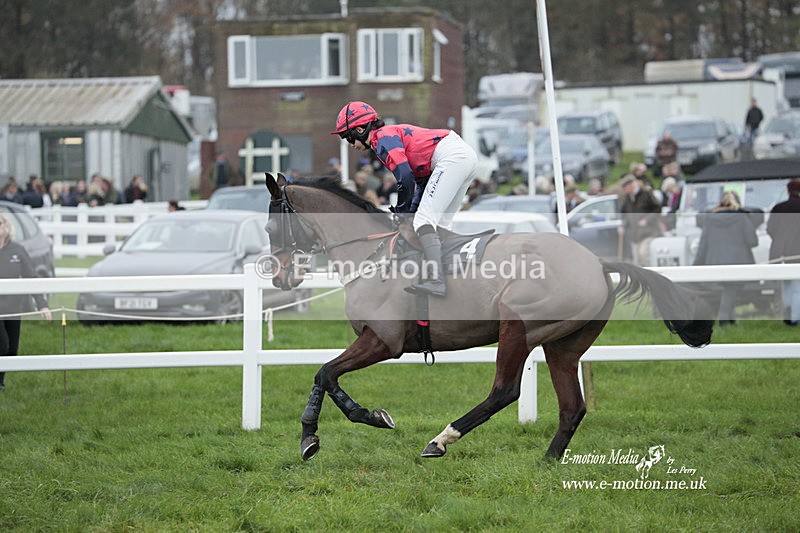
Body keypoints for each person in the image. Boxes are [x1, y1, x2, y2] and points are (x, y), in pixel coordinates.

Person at [331, 101, 478, 296]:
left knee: (424, 221)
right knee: (440, 224)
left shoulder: (381, 139)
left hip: (452, 158)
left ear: (359, 129)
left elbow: (405, 179)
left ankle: (436, 280)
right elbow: (421, 182)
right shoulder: (387, 138)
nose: (350, 145)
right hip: (462, 156)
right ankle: (448, 278)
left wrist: (401, 211)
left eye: (348, 138)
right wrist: (408, 212)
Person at [0, 213, 52, 390]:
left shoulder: (18, 250)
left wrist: (42, 304)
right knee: (2, 344)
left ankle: (0, 381)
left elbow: (31, 277)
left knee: (12, 350)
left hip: (14, 308)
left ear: (6, 227)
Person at [693, 191, 758, 326]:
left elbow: (703, 244)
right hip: (738, 261)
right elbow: (752, 241)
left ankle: (730, 319)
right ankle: (724, 319)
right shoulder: (741, 217)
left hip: (715, 261)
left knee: (729, 290)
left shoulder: (709, 219)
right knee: (731, 289)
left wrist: (696, 264)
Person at [767, 178, 800, 326]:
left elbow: (770, 230)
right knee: (797, 288)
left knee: (786, 286)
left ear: (788, 191)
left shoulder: (778, 208)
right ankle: (795, 318)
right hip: (797, 252)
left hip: (780, 252)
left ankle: (787, 317)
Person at [618, 174, 662, 266]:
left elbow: (657, 209)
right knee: (636, 260)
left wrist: (647, 220)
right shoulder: (628, 198)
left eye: (625, 187)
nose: (624, 190)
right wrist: (623, 225)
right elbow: (625, 214)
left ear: (631, 185)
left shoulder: (646, 193)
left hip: (648, 232)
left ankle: (649, 278)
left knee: (644, 255)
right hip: (635, 234)